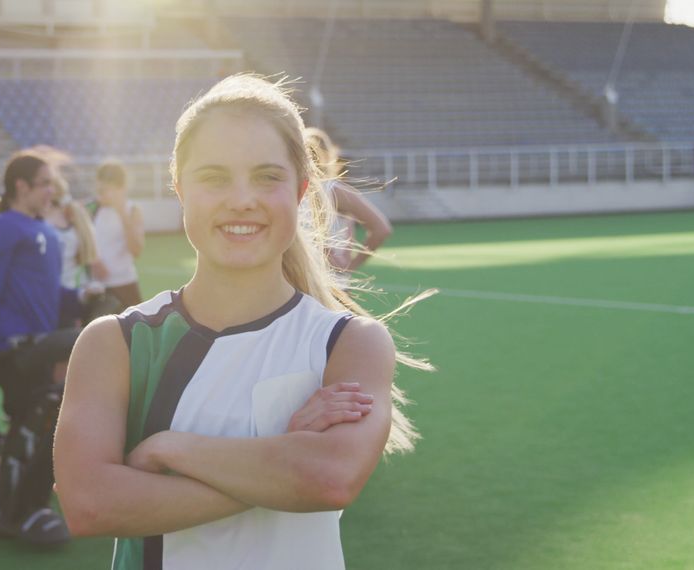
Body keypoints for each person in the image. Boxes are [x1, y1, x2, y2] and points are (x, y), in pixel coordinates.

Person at [54, 74, 431, 569]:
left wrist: (168, 450)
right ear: (178, 187)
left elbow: (330, 478)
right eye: (213, 177)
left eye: (266, 177)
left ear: (300, 191)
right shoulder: (115, 342)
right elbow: (90, 505)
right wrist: (282, 457)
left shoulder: (350, 343)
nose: (241, 199)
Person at [0, 150, 81, 545]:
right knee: (39, 418)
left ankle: (18, 510)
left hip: (41, 344)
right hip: (15, 348)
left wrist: (81, 298)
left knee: (38, 422)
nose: (52, 191)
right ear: (22, 187)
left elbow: (48, 292)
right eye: (45, 184)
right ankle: (15, 512)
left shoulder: (41, 230)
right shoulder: (4, 228)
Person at [304, 126, 393, 274]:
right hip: (307, 282)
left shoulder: (331, 189)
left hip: (328, 283)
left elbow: (381, 229)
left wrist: (351, 266)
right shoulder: (297, 190)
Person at [43, 176, 110, 327]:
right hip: (72, 301)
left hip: (50, 303)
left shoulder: (44, 223)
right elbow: (98, 267)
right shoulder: (75, 221)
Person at [89, 161, 145, 309]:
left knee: (134, 331)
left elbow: (136, 250)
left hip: (124, 283)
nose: (101, 194)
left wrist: (121, 212)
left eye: (106, 189)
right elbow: (80, 245)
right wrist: (93, 261)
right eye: (99, 189)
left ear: (121, 189)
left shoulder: (132, 210)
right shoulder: (91, 209)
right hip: (96, 285)